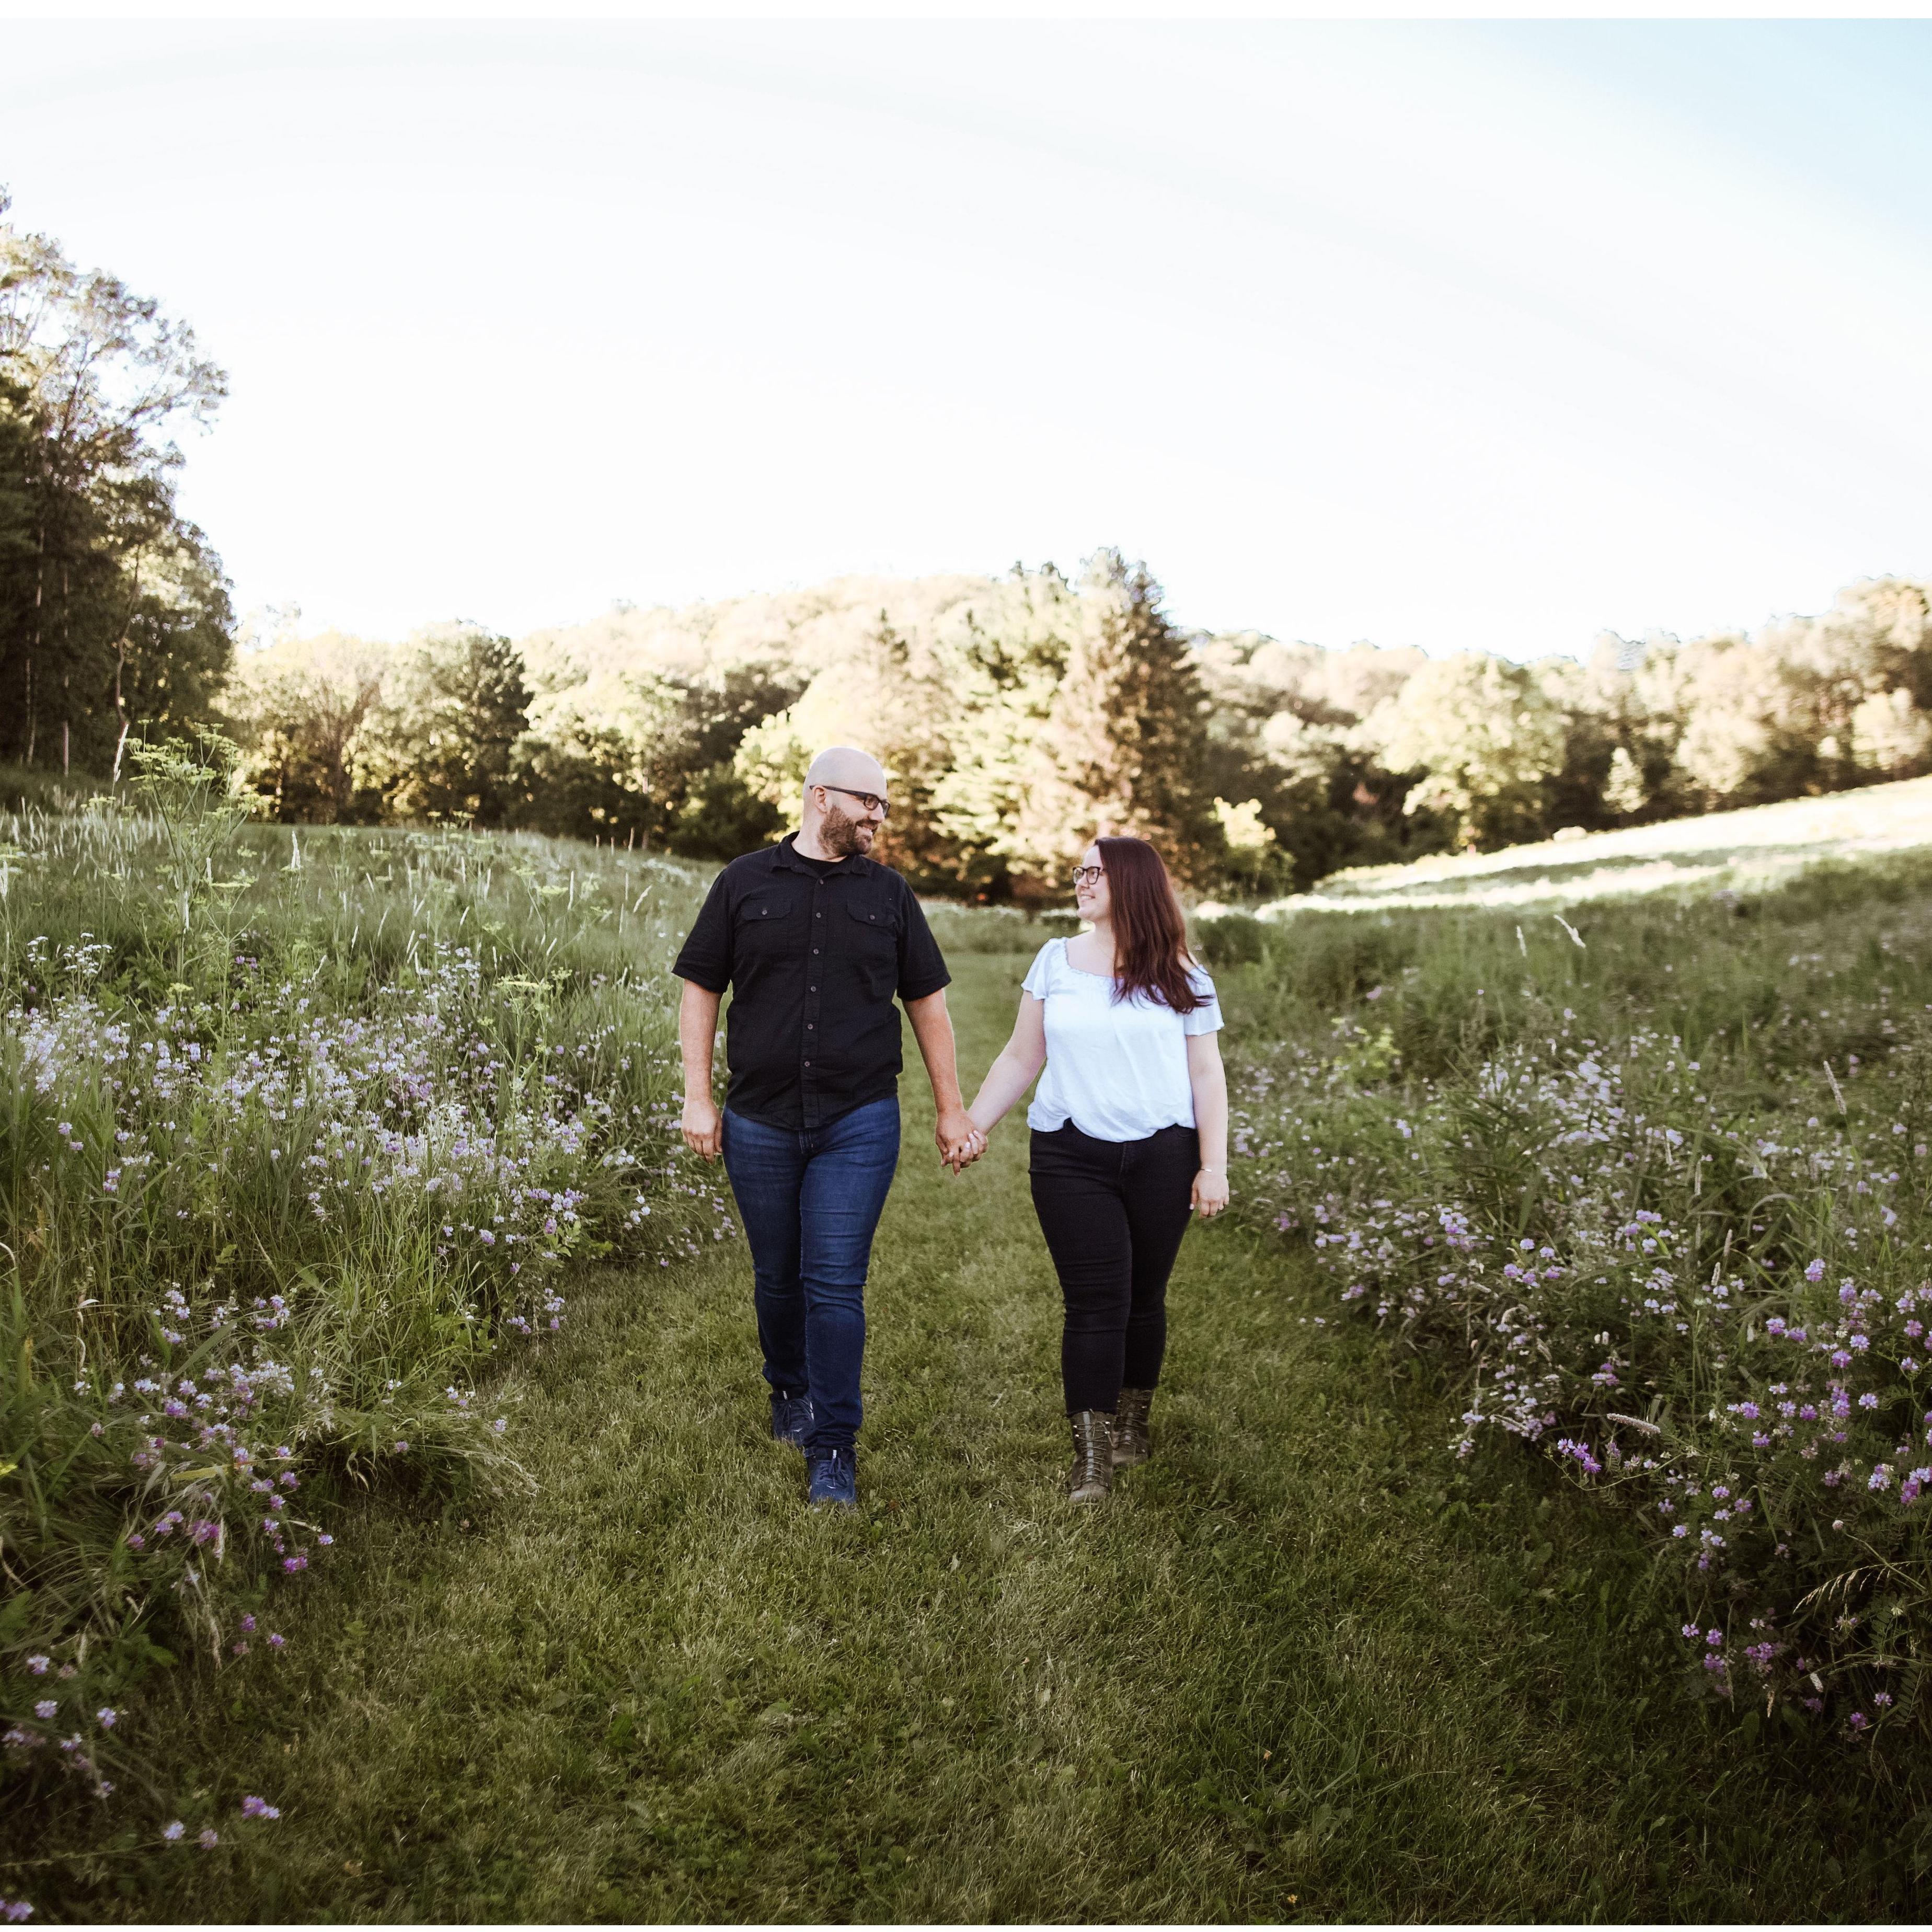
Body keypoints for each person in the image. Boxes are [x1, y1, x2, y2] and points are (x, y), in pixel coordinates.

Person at [672, 746, 984, 1512]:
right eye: (867, 801)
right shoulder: (743, 883)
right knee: (778, 1278)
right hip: (761, 1119)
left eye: (884, 804)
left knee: (835, 1283)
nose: (879, 815)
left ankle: (833, 1445)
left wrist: (951, 1108)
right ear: (820, 798)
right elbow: (700, 990)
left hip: (860, 1119)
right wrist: (697, 1097)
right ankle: (790, 1388)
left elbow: (929, 1008)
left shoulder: (890, 896)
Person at [964, 835, 1228, 1502]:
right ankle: (1091, 1458)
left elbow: (1207, 1074)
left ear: (1132, 883)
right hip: (1069, 1154)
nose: (1080, 881)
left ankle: (1133, 1421)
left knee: (1144, 1297)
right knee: (1094, 1303)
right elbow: (1021, 1057)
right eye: (1078, 870)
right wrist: (974, 1125)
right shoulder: (1054, 960)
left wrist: (1213, 1164)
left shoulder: (1182, 973)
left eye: (1094, 872)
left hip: (1164, 1156)